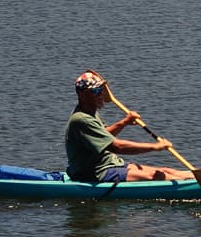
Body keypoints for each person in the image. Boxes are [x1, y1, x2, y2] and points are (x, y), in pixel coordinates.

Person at [65, 71, 193, 183]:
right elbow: (116, 147)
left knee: (165, 170)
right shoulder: (81, 119)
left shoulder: (91, 112)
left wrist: (124, 122)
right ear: (82, 95)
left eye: (102, 90)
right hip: (94, 173)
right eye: (96, 91)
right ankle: (196, 186)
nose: (101, 95)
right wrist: (155, 147)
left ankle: (199, 176)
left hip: (110, 164)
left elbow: (104, 135)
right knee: (155, 175)